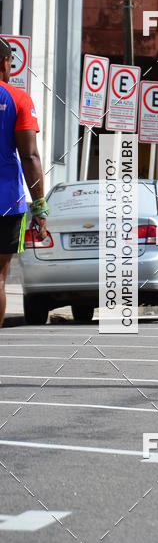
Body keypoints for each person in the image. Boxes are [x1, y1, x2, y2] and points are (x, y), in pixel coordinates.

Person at [0, 37, 48, 327]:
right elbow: (29, 156)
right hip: (6, 202)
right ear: (4, 62)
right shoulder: (18, 99)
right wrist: (40, 207)